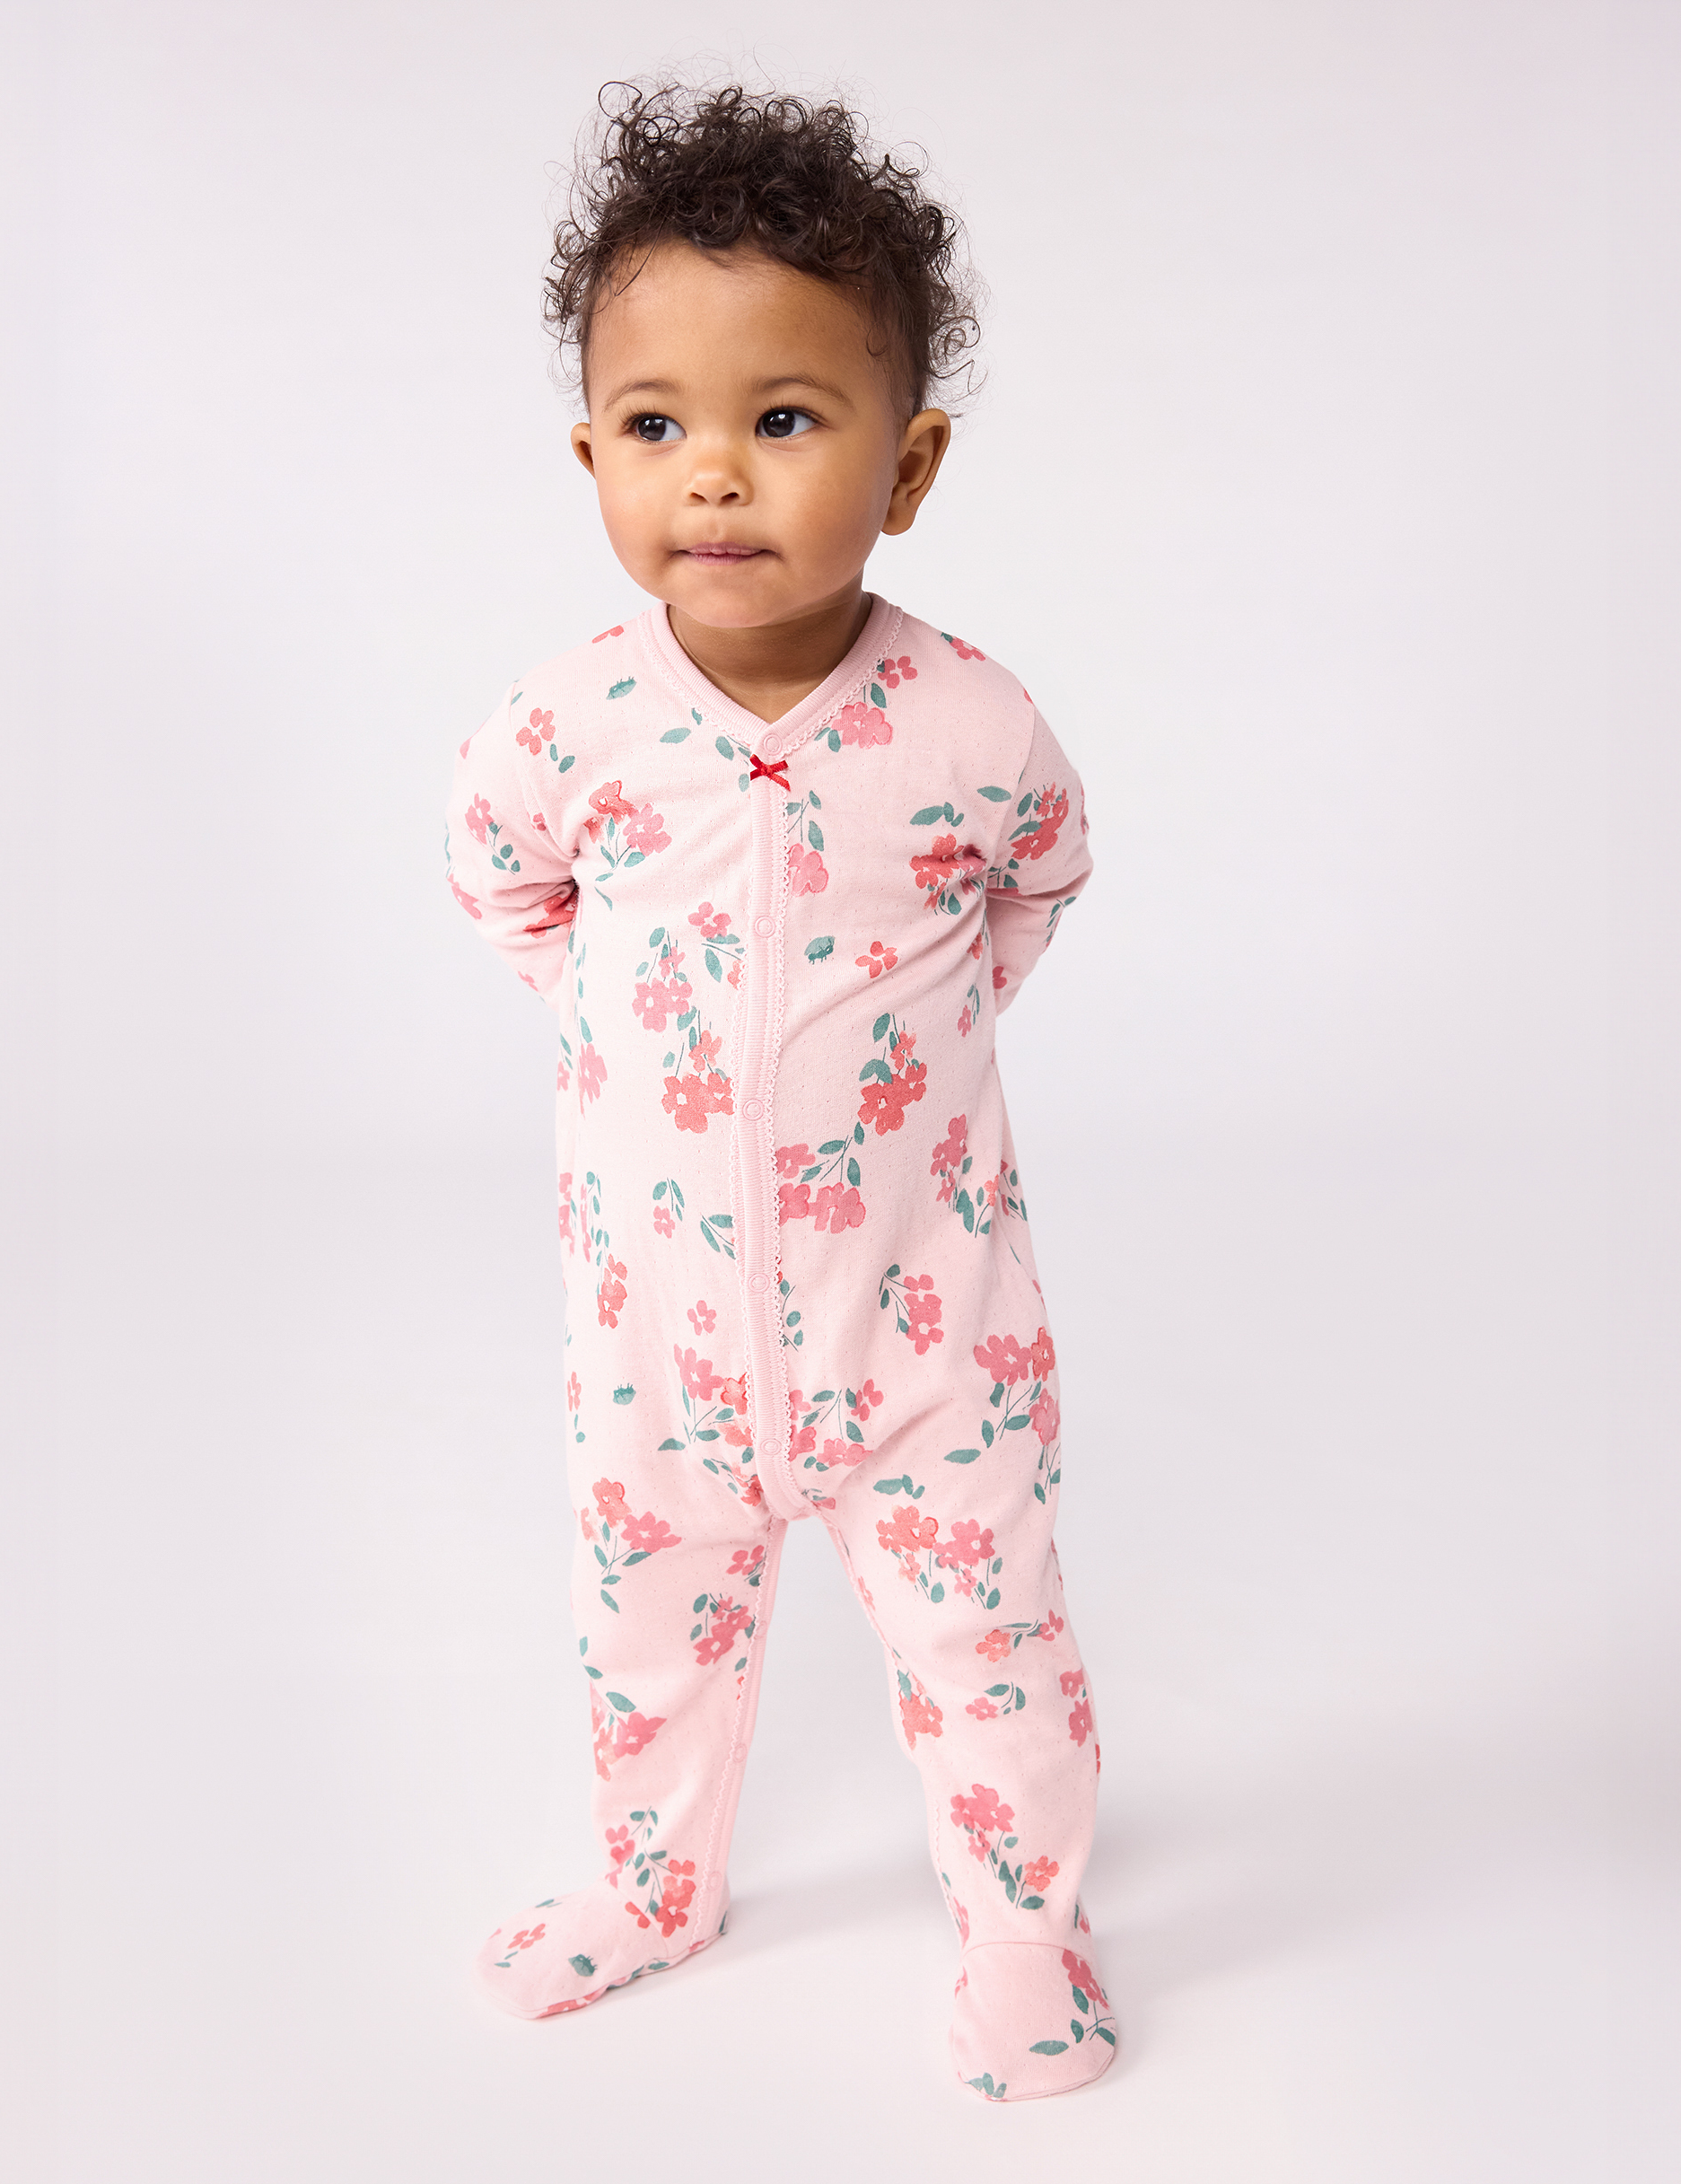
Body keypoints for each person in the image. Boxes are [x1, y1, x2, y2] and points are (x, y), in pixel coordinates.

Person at [446, 81, 1114, 2101]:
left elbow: (1039, 878)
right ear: (590, 455)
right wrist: (622, 1029)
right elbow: (504, 879)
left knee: (990, 1637)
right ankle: (651, 1885)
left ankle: (1024, 1930)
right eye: (654, 425)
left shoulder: (970, 723)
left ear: (906, 466)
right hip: (655, 1333)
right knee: (643, 1623)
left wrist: (916, 1036)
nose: (714, 473)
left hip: (928, 1331)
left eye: (786, 418)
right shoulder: (565, 721)